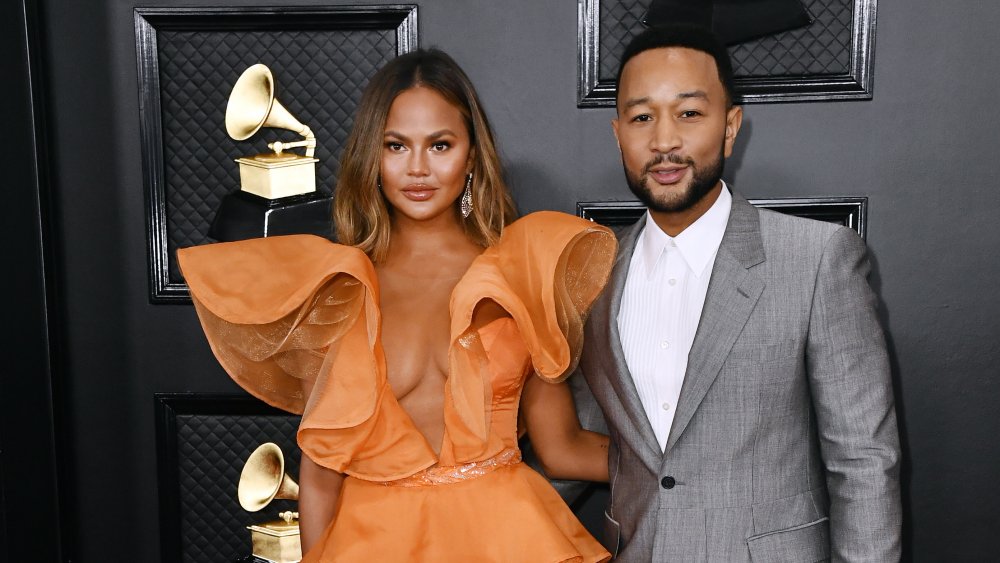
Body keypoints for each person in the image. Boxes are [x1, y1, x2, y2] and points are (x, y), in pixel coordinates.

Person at [178, 49, 616, 562]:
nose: (418, 169)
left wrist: (686, 463)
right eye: (396, 145)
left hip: (504, 538)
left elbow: (561, 448)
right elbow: (319, 481)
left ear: (471, 155)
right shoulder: (341, 285)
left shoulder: (519, 273)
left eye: (440, 145)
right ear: (374, 156)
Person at [568, 24, 902, 561]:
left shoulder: (818, 259)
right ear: (618, 134)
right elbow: (582, 437)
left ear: (730, 127)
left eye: (690, 113)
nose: (664, 140)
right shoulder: (591, 275)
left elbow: (864, 461)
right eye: (641, 116)